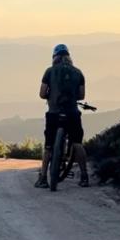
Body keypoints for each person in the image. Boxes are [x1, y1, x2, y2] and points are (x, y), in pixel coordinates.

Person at [34, 44, 89, 188]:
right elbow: (81, 96)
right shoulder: (78, 73)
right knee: (77, 143)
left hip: (54, 113)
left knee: (48, 147)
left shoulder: (49, 71)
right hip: (72, 113)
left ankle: (43, 178)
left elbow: (41, 93)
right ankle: (84, 176)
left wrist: (50, 96)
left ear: (54, 57)